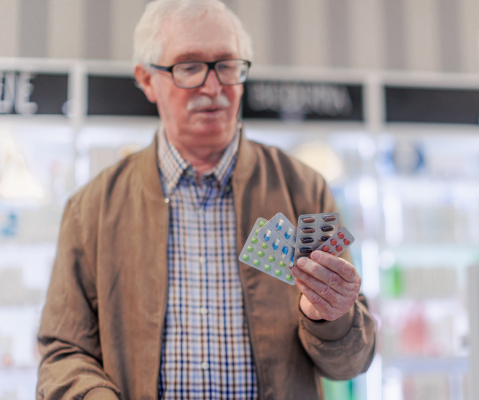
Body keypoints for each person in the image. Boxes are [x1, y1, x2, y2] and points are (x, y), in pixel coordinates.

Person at [36, 0, 376, 398]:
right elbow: (62, 352)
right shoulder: (90, 209)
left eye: (227, 65)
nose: (213, 87)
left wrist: (327, 316)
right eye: (190, 67)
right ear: (147, 80)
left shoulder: (304, 190)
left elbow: (351, 363)